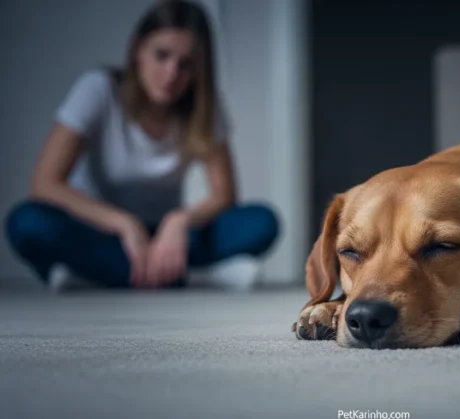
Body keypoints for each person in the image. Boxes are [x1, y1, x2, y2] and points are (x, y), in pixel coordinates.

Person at [3, 0, 279, 291]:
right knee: (27, 223)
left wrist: (179, 221)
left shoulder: (204, 108)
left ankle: (99, 276)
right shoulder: (98, 89)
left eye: (186, 64)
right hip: (102, 230)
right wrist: (123, 223)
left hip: (169, 238)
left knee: (261, 222)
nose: (172, 73)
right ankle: (189, 278)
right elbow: (45, 183)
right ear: (137, 49)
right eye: (161, 55)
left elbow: (224, 195)